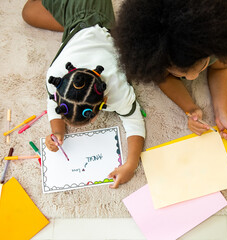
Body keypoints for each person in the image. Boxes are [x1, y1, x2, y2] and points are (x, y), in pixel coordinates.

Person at [22, 0, 145, 189]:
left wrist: (131, 164)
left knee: (30, 13)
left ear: (105, 101)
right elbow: (51, 102)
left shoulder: (117, 88)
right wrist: (57, 131)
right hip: (80, 17)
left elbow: (134, 122)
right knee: (28, 13)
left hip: (92, 18)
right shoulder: (54, 76)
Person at [112, 0, 227, 141]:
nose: (192, 77)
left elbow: (221, 68)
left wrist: (221, 112)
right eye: (180, 73)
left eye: (202, 66)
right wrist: (190, 108)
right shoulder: (158, 57)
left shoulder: (214, 47)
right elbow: (164, 79)